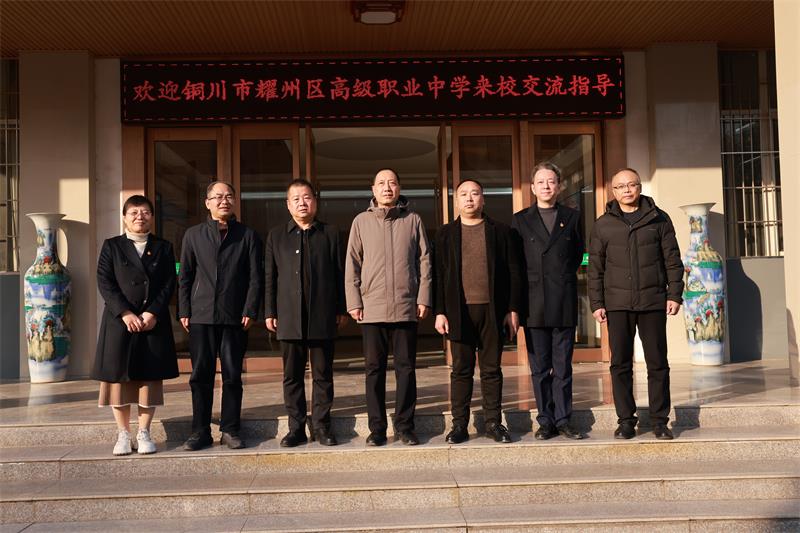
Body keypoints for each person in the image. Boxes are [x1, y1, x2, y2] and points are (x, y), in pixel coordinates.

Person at [588, 168, 684, 440]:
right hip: (617, 304)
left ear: (640, 187)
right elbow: (595, 268)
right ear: (613, 191)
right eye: (621, 186)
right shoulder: (603, 224)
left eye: (632, 185)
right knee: (620, 364)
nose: (627, 190)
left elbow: (672, 260)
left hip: (653, 301)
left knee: (657, 363)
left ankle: (659, 421)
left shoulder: (658, 218)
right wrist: (597, 303)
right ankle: (626, 421)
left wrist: (674, 295)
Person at [345, 168, 432, 446]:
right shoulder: (361, 221)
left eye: (392, 183)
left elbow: (425, 261)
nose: (387, 187)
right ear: (373, 189)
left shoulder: (413, 220)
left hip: (406, 306)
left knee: (406, 369)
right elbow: (352, 263)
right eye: (381, 183)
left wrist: (423, 298)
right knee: (374, 370)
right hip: (372, 308)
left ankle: (405, 426)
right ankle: (378, 428)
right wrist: (354, 301)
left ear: (399, 188)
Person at [435, 179, 522, 444]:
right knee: (461, 370)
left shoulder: (502, 232)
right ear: (456, 201)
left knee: (491, 369)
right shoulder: (445, 234)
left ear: (483, 199)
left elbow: (514, 272)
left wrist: (513, 309)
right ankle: (459, 424)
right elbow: (438, 276)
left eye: (475, 194)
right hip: (458, 312)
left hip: (493, 311)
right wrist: (440, 311)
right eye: (464, 194)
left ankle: (493, 423)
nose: (469, 198)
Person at [178, 181, 263, 450]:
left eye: (228, 196)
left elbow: (255, 277)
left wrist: (250, 309)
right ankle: (200, 431)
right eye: (217, 197)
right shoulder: (193, 235)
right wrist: (184, 310)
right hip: (201, 315)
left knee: (232, 375)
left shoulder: (247, 235)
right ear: (207, 203)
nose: (223, 201)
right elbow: (185, 276)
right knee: (200, 376)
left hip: (234, 316)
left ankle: (230, 429)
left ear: (235, 201)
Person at [92, 195, 179, 455]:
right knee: (117, 380)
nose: (140, 217)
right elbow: (104, 281)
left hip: (152, 323)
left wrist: (153, 312)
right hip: (120, 322)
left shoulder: (164, 247)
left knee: (148, 380)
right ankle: (123, 434)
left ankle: (144, 432)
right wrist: (125, 313)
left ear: (152, 216)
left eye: (145, 212)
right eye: (134, 212)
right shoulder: (112, 246)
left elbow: (169, 283)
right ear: (124, 217)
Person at [265, 179, 348, 447]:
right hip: (288, 316)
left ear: (315, 201)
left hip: (323, 315)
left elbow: (340, 274)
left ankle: (322, 426)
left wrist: (342, 308)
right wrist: (269, 311)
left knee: (323, 375)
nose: (302, 203)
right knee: (292, 376)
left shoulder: (330, 233)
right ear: (288, 205)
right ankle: (296, 428)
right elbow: (270, 277)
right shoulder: (276, 235)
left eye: (307, 197)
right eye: (296, 199)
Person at [512, 162, 585, 440]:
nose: (546, 186)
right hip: (534, 302)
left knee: (563, 366)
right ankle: (545, 420)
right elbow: (517, 263)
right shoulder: (520, 219)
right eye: (540, 182)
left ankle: (564, 418)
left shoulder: (572, 217)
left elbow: (576, 255)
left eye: (551, 181)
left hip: (563, 298)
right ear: (532, 187)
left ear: (559, 186)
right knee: (540, 367)